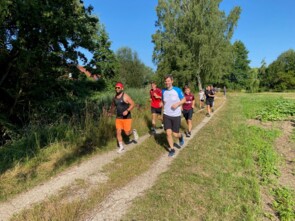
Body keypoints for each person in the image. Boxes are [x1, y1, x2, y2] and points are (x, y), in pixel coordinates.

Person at [108, 82, 139, 153]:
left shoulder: (125, 96)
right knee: (118, 132)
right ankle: (121, 147)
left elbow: (132, 104)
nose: (117, 89)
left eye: (118, 87)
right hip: (118, 117)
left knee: (127, 133)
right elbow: (113, 106)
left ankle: (133, 131)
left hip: (127, 118)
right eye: (116, 87)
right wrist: (110, 112)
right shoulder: (115, 98)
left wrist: (127, 110)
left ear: (122, 88)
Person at [162, 75, 186, 157]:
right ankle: (172, 149)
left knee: (175, 134)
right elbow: (164, 102)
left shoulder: (177, 90)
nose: (167, 82)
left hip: (176, 115)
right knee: (168, 133)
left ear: (172, 81)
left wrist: (177, 104)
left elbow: (184, 99)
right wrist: (162, 104)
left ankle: (180, 137)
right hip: (167, 115)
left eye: (168, 81)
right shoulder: (163, 91)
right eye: (165, 81)